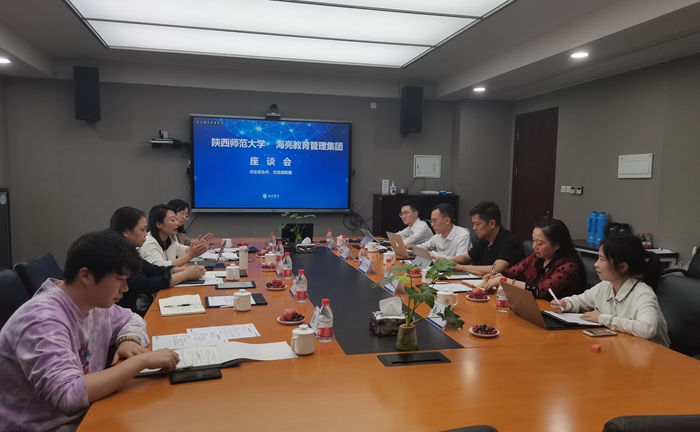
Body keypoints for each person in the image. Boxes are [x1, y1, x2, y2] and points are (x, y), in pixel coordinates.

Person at [0, 230, 180, 431]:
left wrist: (128, 340)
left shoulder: (93, 302)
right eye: (120, 279)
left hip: (90, 411)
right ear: (85, 276)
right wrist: (142, 361)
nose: (126, 288)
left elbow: (132, 319)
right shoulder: (42, 320)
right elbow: (68, 396)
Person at [551, 234, 670, 346]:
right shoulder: (605, 286)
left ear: (622, 267)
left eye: (602, 259)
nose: (596, 264)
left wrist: (602, 318)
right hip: (621, 347)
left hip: (652, 354)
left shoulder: (643, 293)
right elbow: (580, 301)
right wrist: (565, 304)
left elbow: (647, 329)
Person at [110, 206, 206, 315]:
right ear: (126, 231)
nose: (146, 233)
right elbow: (146, 284)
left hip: (128, 312)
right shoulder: (118, 256)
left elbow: (153, 269)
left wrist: (185, 270)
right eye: (142, 229)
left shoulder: (129, 251)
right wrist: (185, 274)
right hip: (122, 314)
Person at [484, 218, 586, 300]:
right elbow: (513, 271)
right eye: (533, 241)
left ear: (556, 245)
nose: (534, 247)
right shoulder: (537, 257)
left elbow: (540, 290)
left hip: (555, 313)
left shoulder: (569, 266)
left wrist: (503, 280)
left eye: (540, 243)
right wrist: (498, 275)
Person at [449, 201, 525, 275]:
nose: (474, 228)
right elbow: (466, 257)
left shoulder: (511, 242)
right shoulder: (484, 239)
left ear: (492, 223)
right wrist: (448, 261)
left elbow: (495, 269)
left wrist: (461, 267)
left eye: (477, 224)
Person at [139, 204, 208, 267]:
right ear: (159, 224)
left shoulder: (169, 239)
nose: (177, 223)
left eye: (176, 219)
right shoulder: (149, 243)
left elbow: (184, 250)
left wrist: (198, 247)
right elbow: (160, 267)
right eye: (172, 220)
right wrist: (190, 255)